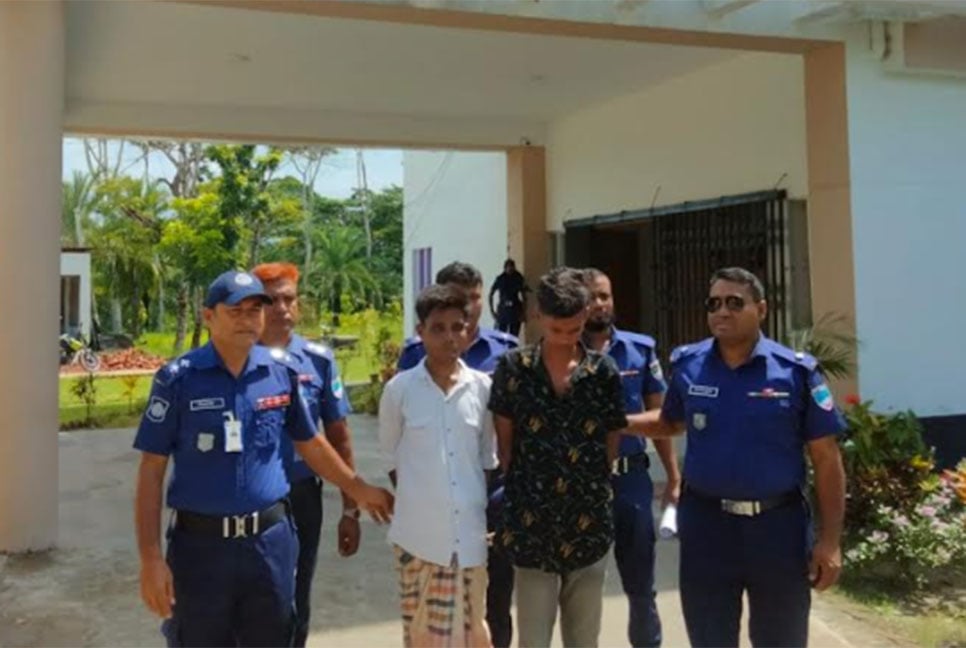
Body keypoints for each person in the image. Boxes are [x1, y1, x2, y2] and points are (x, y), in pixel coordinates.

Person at [134, 270, 393, 647]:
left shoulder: (281, 373)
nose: (247, 319)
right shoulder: (179, 380)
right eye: (235, 311)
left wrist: (357, 489)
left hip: (269, 544)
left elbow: (311, 442)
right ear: (208, 317)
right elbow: (151, 470)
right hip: (201, 548)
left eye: (255, 310)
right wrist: (151, 559)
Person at [627, 267, 847, 648]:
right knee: (710, 639)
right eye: (713, 304)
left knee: (781, 641)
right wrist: (619, 423)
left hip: (777, 529)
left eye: (734, 303)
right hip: (707, 528)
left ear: (761, 309)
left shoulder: (795, 372)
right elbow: (670, 422)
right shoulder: (689, 365)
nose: (722, 312)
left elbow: (827, 459)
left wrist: (829, 541)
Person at [489, 267, 627, 648]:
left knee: (584, 638)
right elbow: (505, 447)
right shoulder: (513, 369)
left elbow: (610, 442)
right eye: (556, 330)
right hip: (532, 525)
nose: (566, 339)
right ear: (538, 315)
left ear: (585, 316)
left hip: (588, 524)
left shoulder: (603, 372)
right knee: (533, 638)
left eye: (574, 329)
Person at [397, 260, 517, 648]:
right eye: (460, 297)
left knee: (494, 599)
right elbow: (396, 444)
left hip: (493, 493)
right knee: (433, 610)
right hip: (433, 505)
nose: (469, 306)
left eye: (475, 298)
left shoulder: (506, 351)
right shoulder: (413, 356)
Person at [379, 284, 498, 648]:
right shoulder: (400, 390)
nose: (449, 336)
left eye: (457, 327)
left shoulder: (483, 389)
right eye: (438, 328)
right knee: (422, 639)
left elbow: (486, 458)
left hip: (470, 538)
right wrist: (426, 500)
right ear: (421, 332)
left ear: (468, 330)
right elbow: (391, 458)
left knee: (474, 634)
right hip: (418, 540)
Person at [252, 262, 359, 648]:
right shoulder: (236, 359)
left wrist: (350, 510)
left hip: (301, 495)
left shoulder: (318, 360)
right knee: (251, 597)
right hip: (249, 498)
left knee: (297, 595)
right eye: (271, 300)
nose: (282, 308)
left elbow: (339, 437)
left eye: (289, 299)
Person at [582, 268, 680, 648]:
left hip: (631, 481)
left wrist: (673, 478)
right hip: (583, 483)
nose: (599, 304)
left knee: (641, 585)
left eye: (604, 296)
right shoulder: (562, 350)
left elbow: (662, 418)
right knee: (581, 584)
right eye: (591, 297)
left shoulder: (639, 349)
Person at [488, 259, 528, 337]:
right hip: (503, 309)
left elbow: (524, 296)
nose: (510, 269)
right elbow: (491, 294)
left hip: (515, 309)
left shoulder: (518, 278)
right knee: (501, 335)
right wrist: (492, 311)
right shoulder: (501, 278)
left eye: (511, 267)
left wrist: (523, 312)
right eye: (508, 267)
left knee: (514, 336)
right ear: (505, 268)